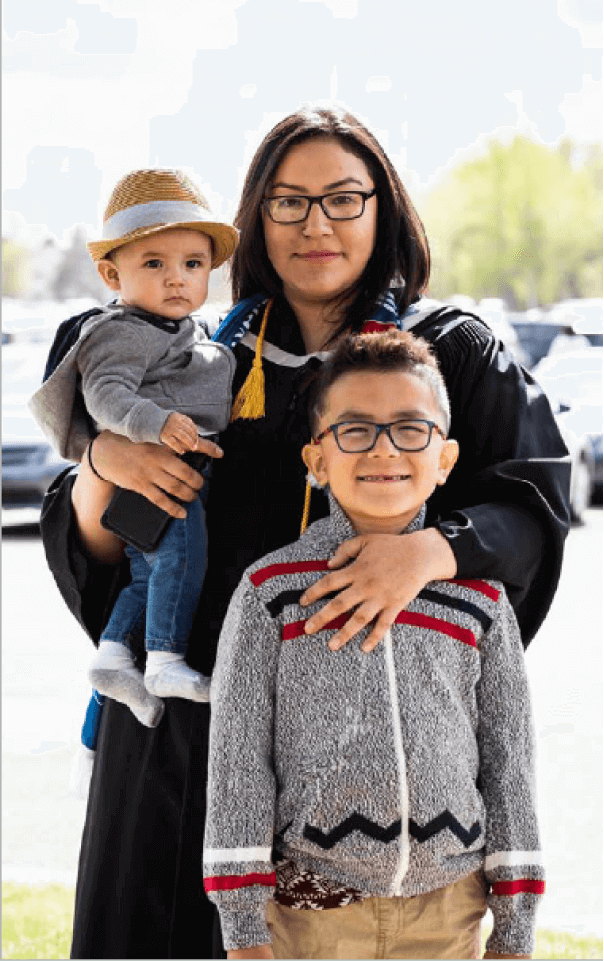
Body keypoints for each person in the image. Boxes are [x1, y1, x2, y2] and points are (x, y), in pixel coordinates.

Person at [39, 105, 570, 960]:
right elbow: (101, 552)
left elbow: (529, 510)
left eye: (342, 198)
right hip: (182, 737)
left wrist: (426, 554)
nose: (315, 222)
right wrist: (104, 462)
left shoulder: (446, 354)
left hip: (356, 762)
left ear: (384, 210)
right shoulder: (196, 353)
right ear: (255, 221)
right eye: (287, 202)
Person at [204, 329, 544, 960]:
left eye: (411, 429)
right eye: (355, 430)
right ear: (317, 460)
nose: (383, 448)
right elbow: (238, 763)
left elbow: (510, 763)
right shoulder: (270, 593)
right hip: (309, 912)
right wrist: (243, 924)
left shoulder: (484, 603)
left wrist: (517, 920)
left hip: (450, 909)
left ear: (445, 459)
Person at [31, 169, 239, 724]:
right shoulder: (119, 329)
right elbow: (105, 395)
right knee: (182, 555)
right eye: (154, 263)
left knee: (149, 572)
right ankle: (167, 657)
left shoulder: (187, 330)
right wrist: (156, 422)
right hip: (154, 467)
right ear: (110, 274)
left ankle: (115, 656)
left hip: (167, 464)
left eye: (193, 264)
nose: (177, 279)